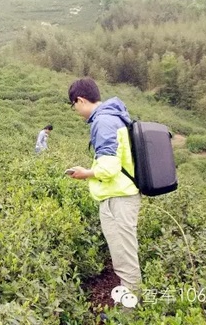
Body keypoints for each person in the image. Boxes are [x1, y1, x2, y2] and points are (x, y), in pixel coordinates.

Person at [66, 77, 141, 293]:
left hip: (119, 198)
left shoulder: (104, 121)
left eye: (74, 106)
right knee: (124, 254)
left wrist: (85, 173)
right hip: (120, 194)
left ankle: (131, 313)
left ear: (80, 100)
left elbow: (109, 168)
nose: (76, 111)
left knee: (124, 258)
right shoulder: (114, 116)